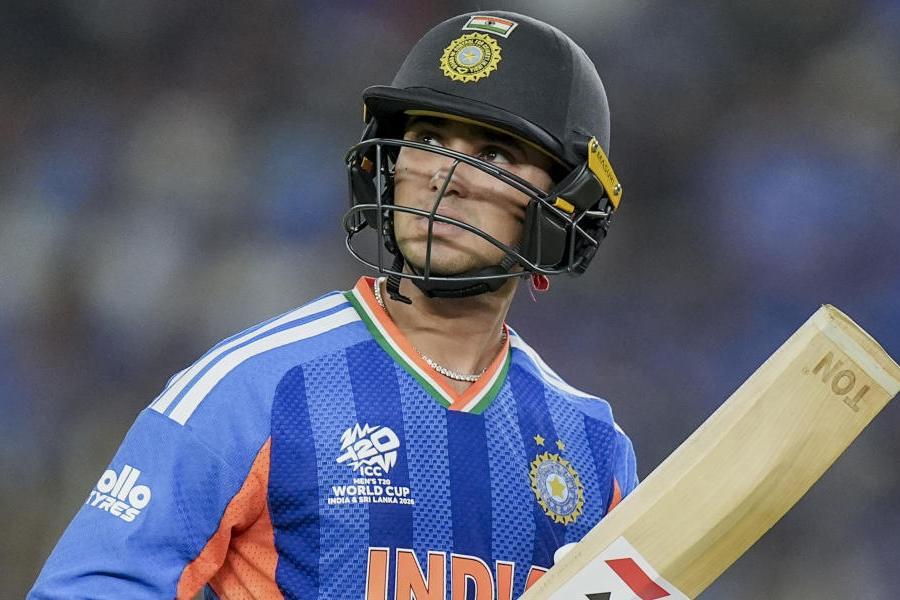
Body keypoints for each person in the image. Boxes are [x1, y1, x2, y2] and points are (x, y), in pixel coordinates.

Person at [30, 10, 637, 599]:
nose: (445, 175)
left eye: (493, 154)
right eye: (426, 139)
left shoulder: (596, 448)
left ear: (569, 203)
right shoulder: (255, 389)